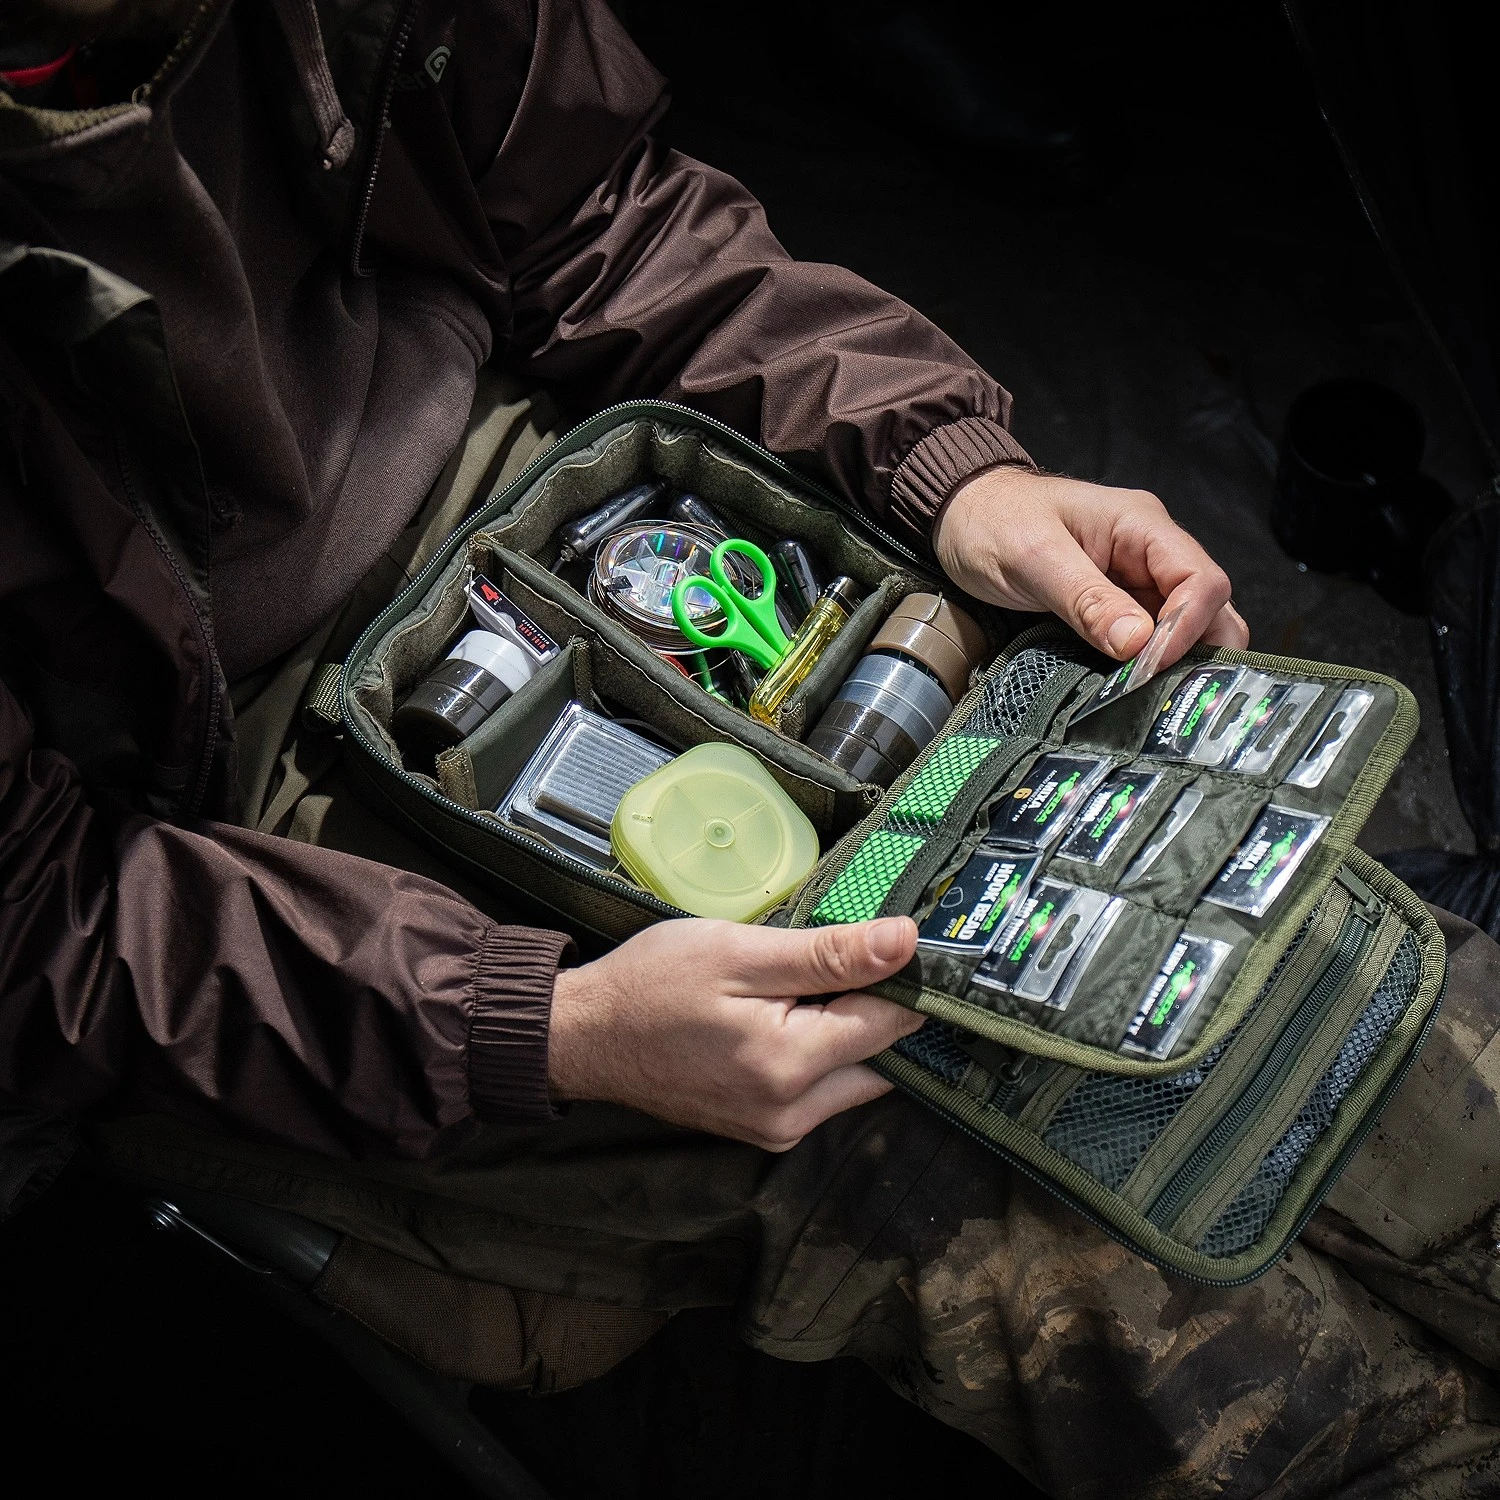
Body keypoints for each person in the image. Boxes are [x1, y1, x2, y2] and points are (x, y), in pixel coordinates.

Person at [2, 2, 1499, 1495]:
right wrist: (547, 1030)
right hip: (226, 835)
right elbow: (35, 923)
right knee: (1003, 1196)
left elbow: (598, 212)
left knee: (1302, 943)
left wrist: (947, 467)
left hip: (578, 492)